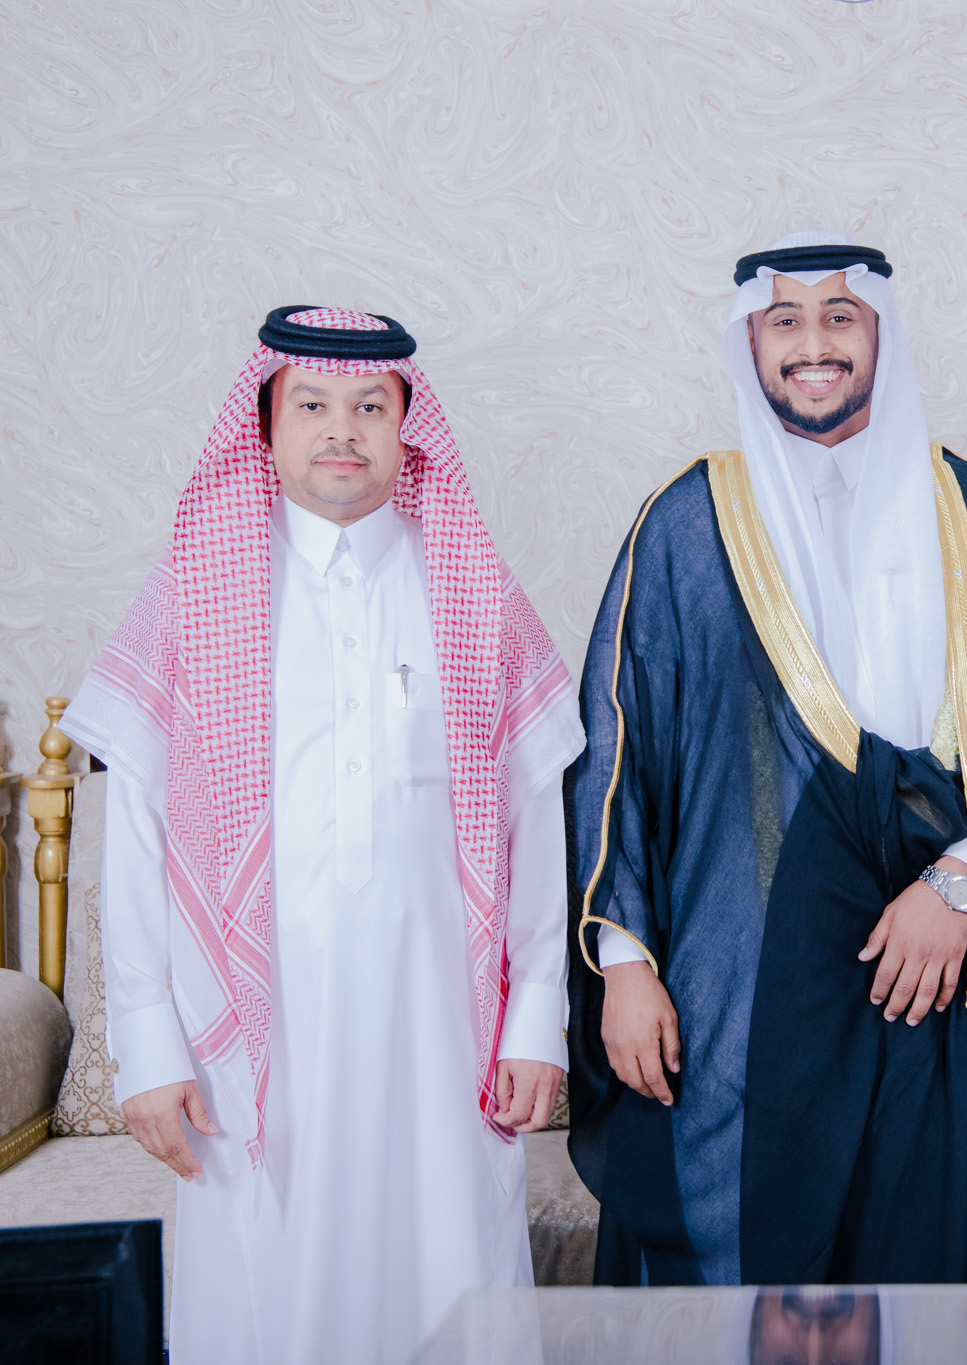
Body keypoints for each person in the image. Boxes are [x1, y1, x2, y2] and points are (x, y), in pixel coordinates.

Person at [567, 233, 967, 1285]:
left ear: (881, 334)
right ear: (751, 343)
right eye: (786, 321)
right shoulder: (687, 525)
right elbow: (620, 750)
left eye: (839, 317)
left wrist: (960, 878)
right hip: (743, 983)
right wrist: (623, 968)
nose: (814, 345)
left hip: (940, 973)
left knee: (934, 1262)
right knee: (747, 1267)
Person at [61, 306, 584, 1362]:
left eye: (369, 406)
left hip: (441, 1034)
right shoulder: (195, 595)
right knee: (266, 1293)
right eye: (311, 404)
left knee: (447, 1279)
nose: (341, 427)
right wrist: (145, 1043)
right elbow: (139, 838)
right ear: (267, 426)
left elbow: (535, 819)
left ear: (405, 428)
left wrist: (536, 1014)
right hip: (252, 1046)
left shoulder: (472, 594)